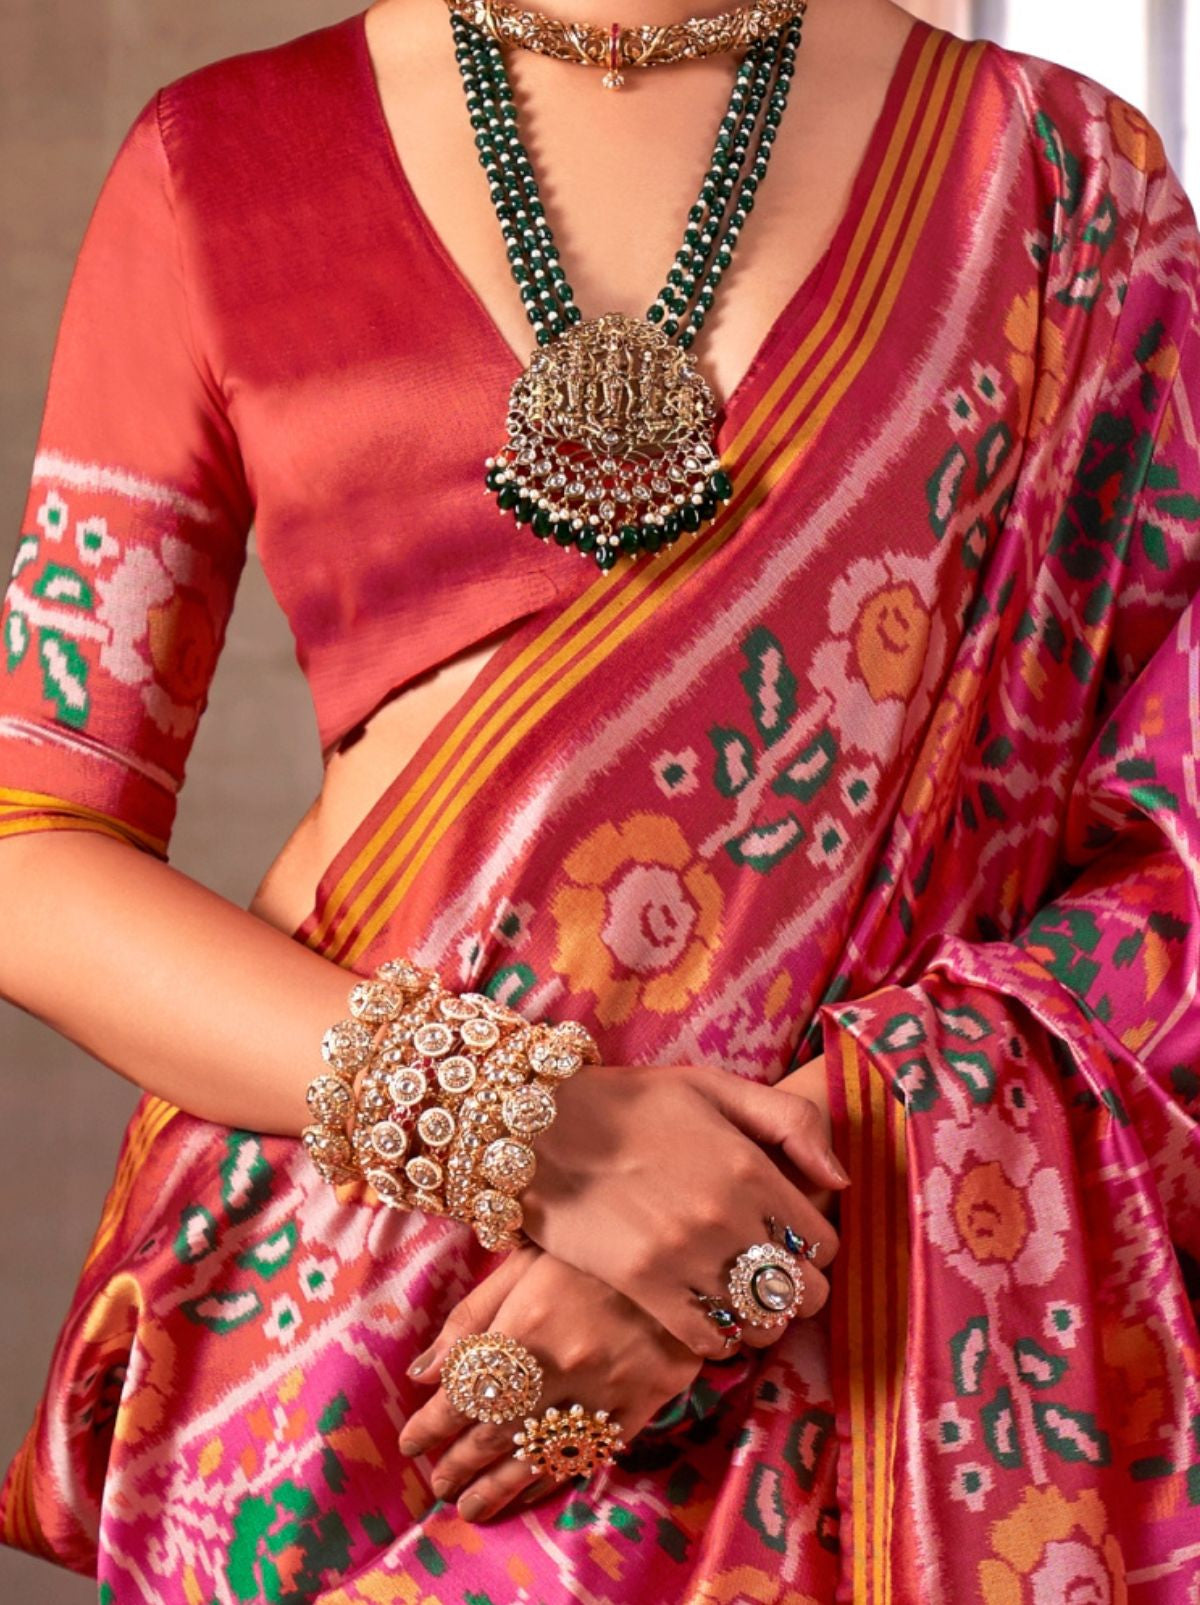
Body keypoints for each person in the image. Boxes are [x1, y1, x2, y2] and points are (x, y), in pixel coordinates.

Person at [0, 0, 1197, 1595]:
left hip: (865, 1359)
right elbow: (35, 848)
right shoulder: (219, 165)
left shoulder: (1060, 189)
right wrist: (545, 1136)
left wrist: (749, 1221)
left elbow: (1170, 864)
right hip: (368, 1380)